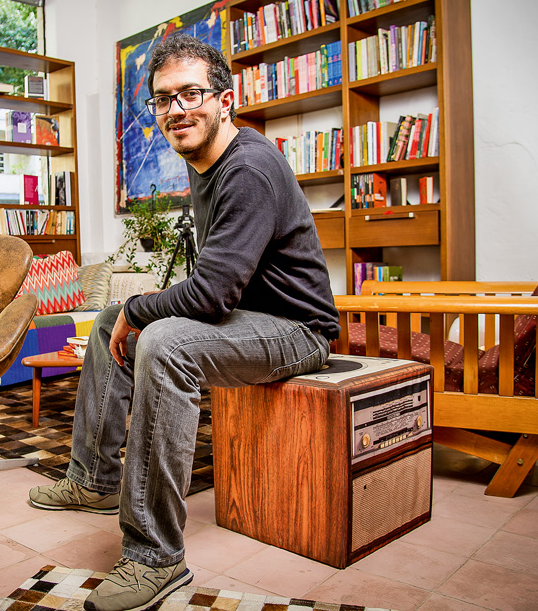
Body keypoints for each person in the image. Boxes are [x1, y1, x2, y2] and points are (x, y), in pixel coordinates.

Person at [28, 33, 340, 611]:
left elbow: (215, 293)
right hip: (248, 317)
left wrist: (143, 310)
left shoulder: (248, 169)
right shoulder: (206, 160)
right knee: (107, 322)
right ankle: (92, 478)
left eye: (192, 93)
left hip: (297, 331)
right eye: (164, 99)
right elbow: (220, 282)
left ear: (226, 99)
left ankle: (155, 557)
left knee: (164, 340)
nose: (177, 110)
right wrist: (131, 312)